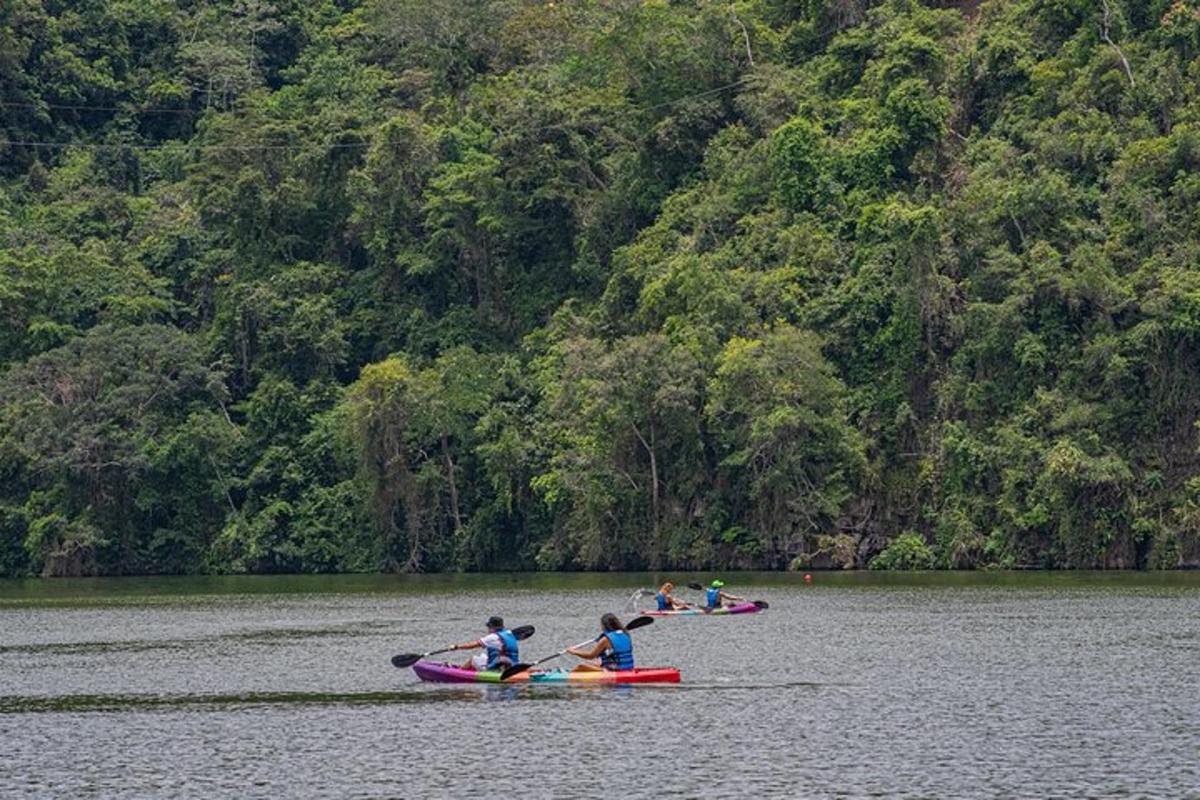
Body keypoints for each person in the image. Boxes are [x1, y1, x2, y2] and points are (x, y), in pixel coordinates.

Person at [566, 613, 635, 672]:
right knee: (594, 664)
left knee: (581, 666)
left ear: (605, 625)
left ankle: (567, 676)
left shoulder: (605, 639)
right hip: (628, 668)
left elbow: (590, 656)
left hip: (614, 670)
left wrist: (574, 652)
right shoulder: (625, 634)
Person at [453, 616, 519, 671]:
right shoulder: (509, 634)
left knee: (473, 659)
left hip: (497, 668)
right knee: (483, 656)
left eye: (488, 627)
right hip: (513, 665)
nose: (488, 629)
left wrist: (457, 646)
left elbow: (472, 645)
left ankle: (459, 672)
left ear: (491, 627)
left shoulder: (492, 637)